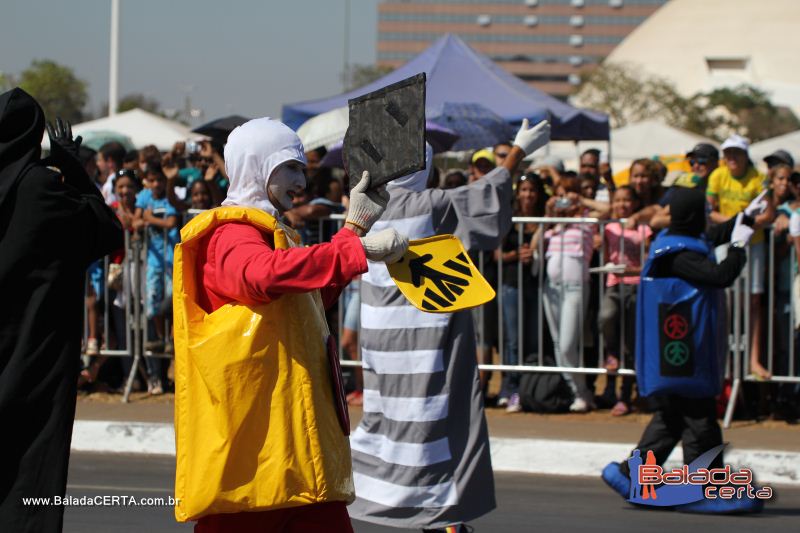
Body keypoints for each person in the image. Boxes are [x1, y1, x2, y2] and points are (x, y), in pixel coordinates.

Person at [172, 117, 408, 532]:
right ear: (257, 166)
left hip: (289, 451)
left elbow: (305, 308)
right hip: (256, 457)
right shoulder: (231, 233)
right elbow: (259, 275)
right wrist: (356, 250)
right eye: (290, 167)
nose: (302, 179)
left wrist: (355, 227)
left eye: (302, 168)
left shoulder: (272, 232)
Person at [348, 119, 551, 532]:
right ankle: (444, 518)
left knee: (384, 421)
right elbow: (486, 197)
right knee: (438, 424)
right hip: (427, 343)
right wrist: (519, 151)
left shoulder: (363, 212)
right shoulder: (431, 207)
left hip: (381, 346)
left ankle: (374, 501)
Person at [0, 88, 123, 532]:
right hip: (36, 360)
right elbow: (108, 232)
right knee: (30, 477)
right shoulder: (40, 189)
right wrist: (75, 170)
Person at [602, 187, 764, 514]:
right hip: (680, 352)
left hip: (675, 351)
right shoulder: (676, 254)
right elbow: (720, 275)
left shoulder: (678, 239)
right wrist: (737, 246)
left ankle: (630, 474)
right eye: (703, 212)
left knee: (672, 418)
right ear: (692, 216)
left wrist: (744, 217)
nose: (707, 218)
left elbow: (711, 233)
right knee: (699, 417)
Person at [706, 134, 774, 380]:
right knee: (725, 299)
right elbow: (710, 209)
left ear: (746, 156)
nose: (731, 157)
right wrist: (737, 224)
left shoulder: (758, 178)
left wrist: (741, 226)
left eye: (737, 153)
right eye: (728, 153)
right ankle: (724, 355)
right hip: (727, 242)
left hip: (751, 245)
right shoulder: (718, 175)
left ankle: (753, 359)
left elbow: (768, 214)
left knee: (753, 301)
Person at [532, 176, 597, 412]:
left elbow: (607, 209)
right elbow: (533, 246)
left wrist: (581, 201)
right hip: (552, 288)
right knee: (559, 343)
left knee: (569, 343)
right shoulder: (553, 226)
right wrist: (548, 216)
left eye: (567, 194)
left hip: (575, 288)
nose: (563, 200)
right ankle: (575, 392)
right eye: (559, 194)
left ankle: (582, 390)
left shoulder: (586, 220)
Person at [495, 172, 548, 412]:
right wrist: (517, 255)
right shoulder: (508, 216)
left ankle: (528, 387)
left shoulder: (544, 219)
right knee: (513, 340)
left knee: (533, 339)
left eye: (532, 190)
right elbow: (497, 254)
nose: (528, 195)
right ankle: (510, 386)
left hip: (536, 285)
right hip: (511, 284)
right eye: (524, 190)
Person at [598, 186, 652, 416]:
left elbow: (648, 260)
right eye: (618, 200)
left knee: (631, 340)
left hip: (636, 285)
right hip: (614, 284)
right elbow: (604, 255)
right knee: (606, 316)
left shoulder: (644, 228)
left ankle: (625, 394)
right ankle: (611, 353)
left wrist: (632, 269)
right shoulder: (609, 228)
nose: (622, 204)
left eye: (626, 200)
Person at [133, 163, 180, 392]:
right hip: (153, 261)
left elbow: (171, 222)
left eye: (160, 180)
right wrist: (145, 219)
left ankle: (171, 338)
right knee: (153, 303)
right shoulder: (143, 197)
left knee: (171, 300)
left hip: (170, 259)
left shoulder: (169, 198)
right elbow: (136, 221)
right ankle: (162, 337)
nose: (157, 185)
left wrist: (150, 219)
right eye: (152, 181)